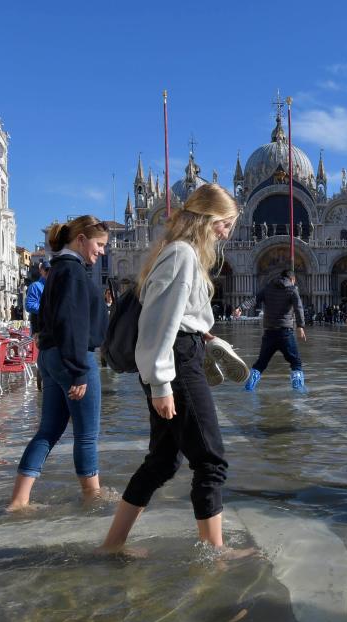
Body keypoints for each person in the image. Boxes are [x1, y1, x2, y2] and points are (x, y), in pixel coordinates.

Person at [100, 183, 240, 552]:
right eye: (225, 224)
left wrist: (204, 336)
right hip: (175, 363)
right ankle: (216, 555)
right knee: (211, 459)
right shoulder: (181, 254)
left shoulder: (181, 252)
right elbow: (156, 325)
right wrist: (161, 383)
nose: (227, 233)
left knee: (162, 461)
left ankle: (113, 544)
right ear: (209, 219)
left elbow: (177, 315)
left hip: (181, 353)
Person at [8, 216, 109, 511]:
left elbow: (42, 317)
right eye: (99, 244)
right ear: (80, 240)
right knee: (86, 435)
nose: (101, 251)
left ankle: (19, 500)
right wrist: (79, 370)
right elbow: (72, 322)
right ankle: (92, 498)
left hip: (51, 356)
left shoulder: (55, 271)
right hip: (73, 358)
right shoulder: (74, 271)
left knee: (49, 430)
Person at [237, 269, 308, 392]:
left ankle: (248, 388)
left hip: (269, 333)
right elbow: (299, 308)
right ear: (292, 279)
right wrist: (300, 326)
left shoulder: (267, 288)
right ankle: (299, 391)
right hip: (285, 333)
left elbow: (254, 300)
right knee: (296, 362)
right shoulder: (292, 289)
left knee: (260, 363)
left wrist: (240, 308)